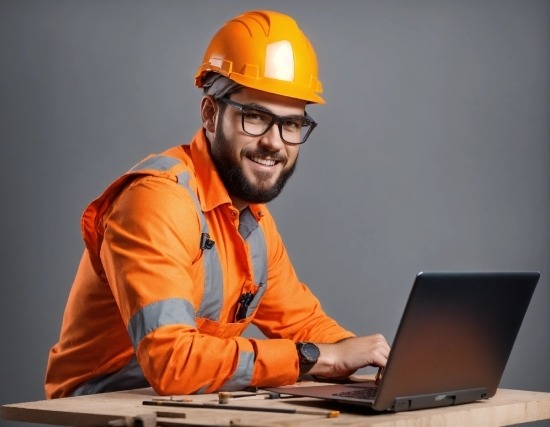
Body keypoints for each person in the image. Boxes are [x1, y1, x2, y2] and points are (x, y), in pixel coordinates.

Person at [45, 9, 390, 399]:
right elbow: (173, 362)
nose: (275, 143)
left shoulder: (252, 222)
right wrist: (318, 358)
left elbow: (304, 323)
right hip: (101, 406)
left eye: (291, 124)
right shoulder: (156, 202)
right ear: (210, 114)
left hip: (190, 402)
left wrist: (371, 358)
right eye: (256, 117)